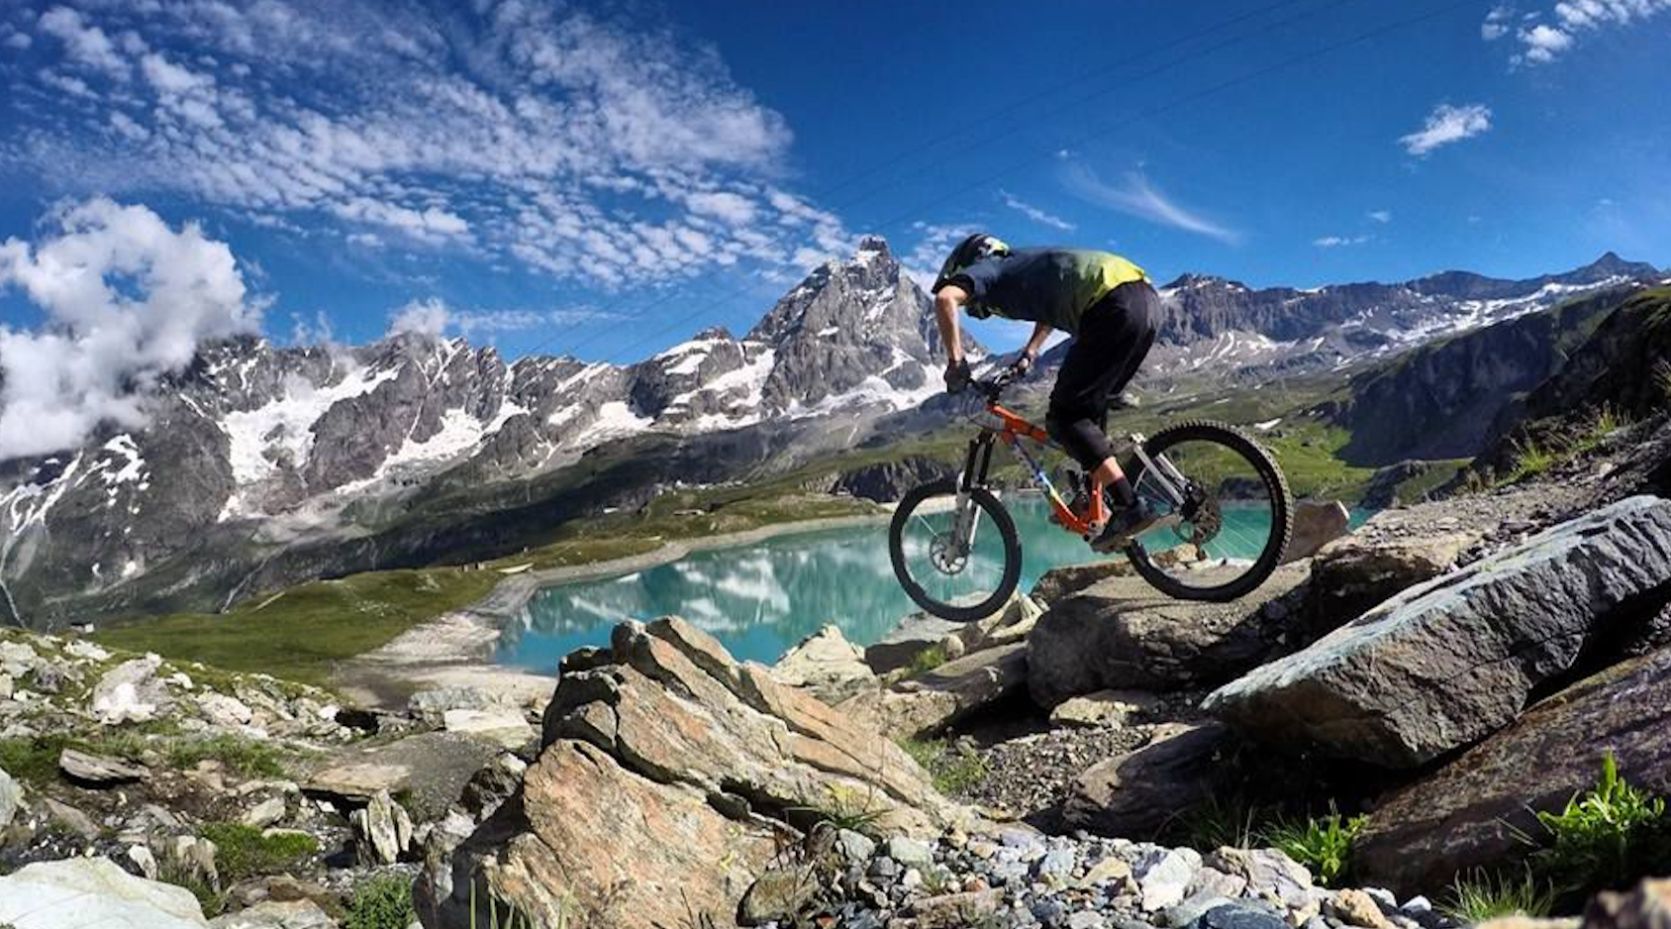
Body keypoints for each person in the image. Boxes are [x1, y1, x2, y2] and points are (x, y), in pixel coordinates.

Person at [931, 233, 1162, 552]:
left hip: (1112, 307)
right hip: (1145, 302)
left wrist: (955, 363)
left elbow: (945, 298)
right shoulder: (1024, 267)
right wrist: (1029, 353)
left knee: (1064, 418)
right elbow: (1047, 311)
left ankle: (1129, 505)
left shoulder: (989, 269)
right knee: (1087, 414)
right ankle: (1092, 499)